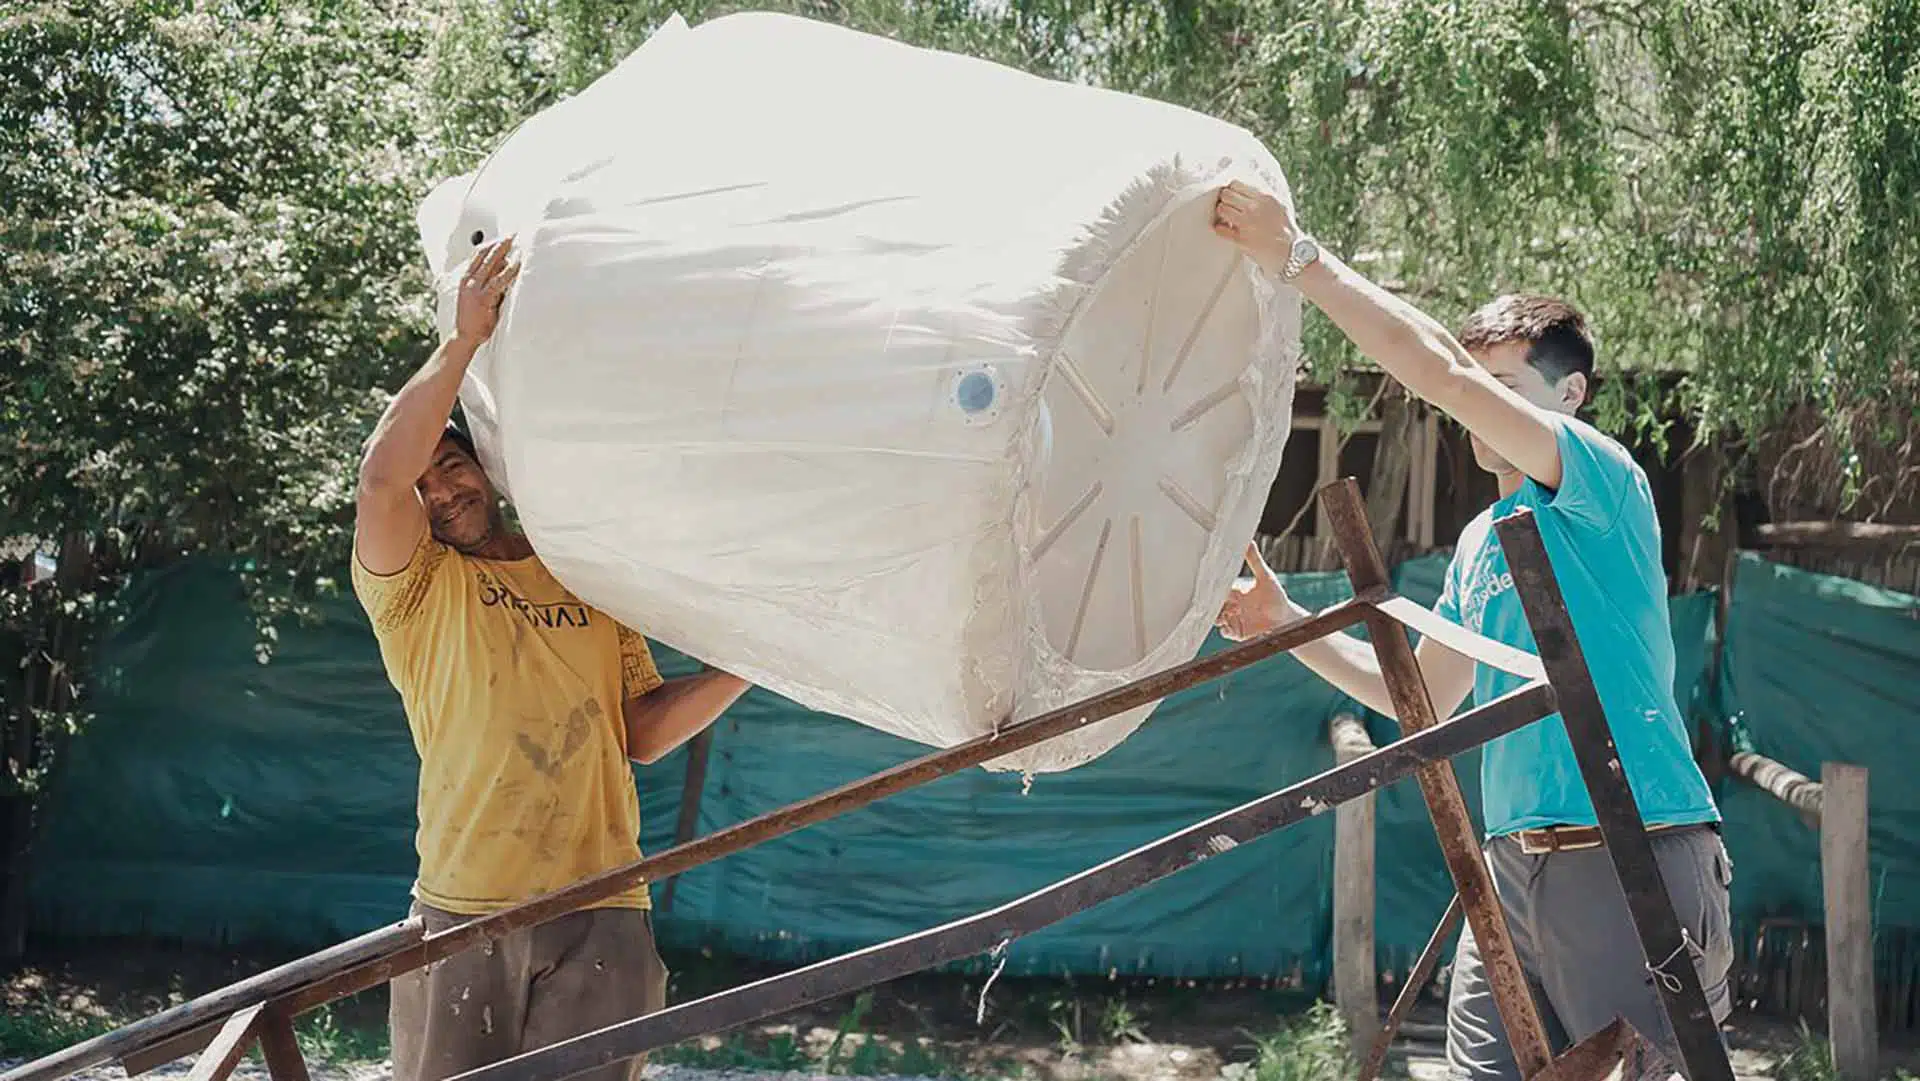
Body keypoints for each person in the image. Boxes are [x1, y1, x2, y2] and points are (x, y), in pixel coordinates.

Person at [1210, 181, 1731, 1079]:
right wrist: (1284, 622)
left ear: (1568, 394)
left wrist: (1300, 258)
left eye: (1504, 389)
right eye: (1477, 387)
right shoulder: (1484, 540)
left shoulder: (1600, 481)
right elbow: (1415, 699)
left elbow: (1438, 373)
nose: (1471, 407)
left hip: (1632, 854)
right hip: (1510, 869)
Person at [352, 236, 752, 1081]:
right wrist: (463, 341)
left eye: (452, 467)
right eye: (427, 487)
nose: (442, 492)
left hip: (600, 905)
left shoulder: (581, 571)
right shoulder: (415, 588)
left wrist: (752, 663)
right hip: (465, 906)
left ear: (483, 469)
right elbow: (382, 481)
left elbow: (638, 730)